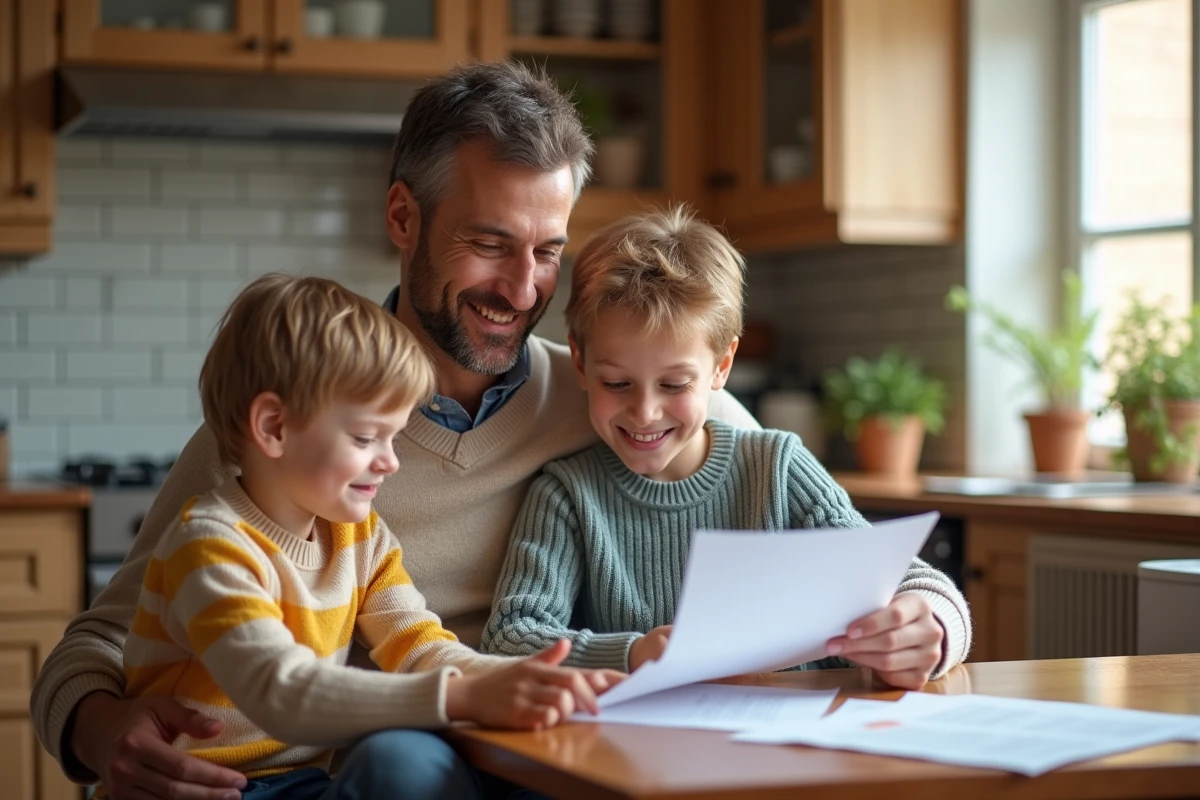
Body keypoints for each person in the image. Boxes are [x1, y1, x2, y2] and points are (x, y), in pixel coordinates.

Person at [30, 61, 758, 800]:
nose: (521, 288)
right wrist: (101, 729)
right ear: (404, 217)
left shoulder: (619, 399)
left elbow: (791, 503)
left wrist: (885, 612)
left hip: (535, 764)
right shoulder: (288, 438)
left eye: (546, 252)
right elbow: (95, 644)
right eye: (489, 243)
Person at [103, 273, 622, 800]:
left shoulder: (357, 535)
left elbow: (419, 644)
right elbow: (281, 691)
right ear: (274, 427)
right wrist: (461, 699)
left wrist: (527, 682)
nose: (390, 461)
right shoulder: (209, 546)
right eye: (365, 437)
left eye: (393, 437)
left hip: (299, 786)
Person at [481, 206, 972, 687]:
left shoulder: (776, 468)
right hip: (639, 756)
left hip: (796, 748)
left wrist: (933, 629)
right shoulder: (567, 495)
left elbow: (900, 579)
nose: (645, 412)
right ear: (582, 364)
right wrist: (633, 654)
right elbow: (509, 639)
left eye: (674, 386)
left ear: (722, 365)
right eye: (617, 383)